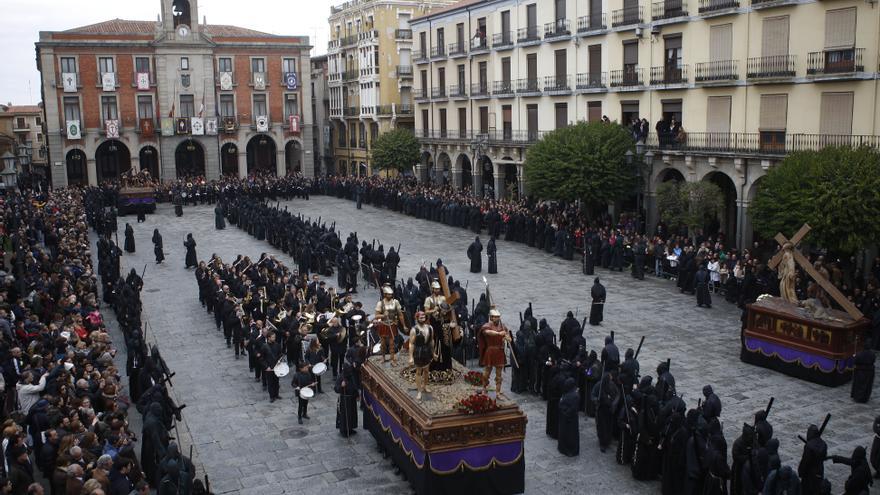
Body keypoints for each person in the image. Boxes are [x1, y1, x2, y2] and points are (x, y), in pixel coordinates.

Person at [478, 308, 511, 396]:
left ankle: (498, 392)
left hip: (499, 351)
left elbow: (509, 337)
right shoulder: (487, 326)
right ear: (491, 317)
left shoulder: (503, 326)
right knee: (486, 373)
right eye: (495, 317)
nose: (497, 318)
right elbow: (488, 332)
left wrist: (507, 338)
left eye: (498, 317)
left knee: (499, 375)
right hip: (490, 351)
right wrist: (499, 333)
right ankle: (484, 388)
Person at [374, 285, 406, 365]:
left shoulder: (395, 302)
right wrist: (383, 315)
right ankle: (383, 357)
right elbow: (376, 316)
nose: (390, 296)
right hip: (383, 324)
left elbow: (400, 314)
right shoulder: (380, 303)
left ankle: (392, 359)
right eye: (388, 294)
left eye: (391, 294)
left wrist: (404, 325)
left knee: (392, 344)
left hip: (392, 324)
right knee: (383, 344)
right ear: (385, 294)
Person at [408, 311, 434, 400]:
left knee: (426, 371)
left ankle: (425, 386)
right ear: (417, 318)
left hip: (427, 352)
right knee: (418, 372)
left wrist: (433, 352)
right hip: (418, 352)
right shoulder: (414, 330)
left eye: (424, 317)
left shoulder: (430, 328)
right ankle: (419, 391)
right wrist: (410, 357)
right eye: (420, 318)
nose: (422, 319)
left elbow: (431, 341)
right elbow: (411, 343)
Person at [334, 354, 359, 437]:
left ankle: (350, 428)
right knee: (344, 416)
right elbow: (336, 389)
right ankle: (343, 430)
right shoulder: (341, 377)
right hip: (344, 399)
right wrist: (341, 386)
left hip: (351, 398)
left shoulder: (351, 376)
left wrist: (357, 394)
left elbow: (354, 385)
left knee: (352, 414)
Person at [557, 377, 580, 456]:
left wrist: (565, 413)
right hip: (570, 418)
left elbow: (562, 405)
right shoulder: (574, 395)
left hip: (566, 417)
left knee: (567, 434)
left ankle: (566, 448)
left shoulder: (568, 394)